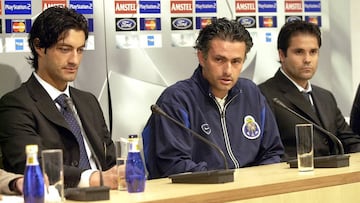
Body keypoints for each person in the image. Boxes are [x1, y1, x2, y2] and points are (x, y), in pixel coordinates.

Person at [142, 18, 284, 179]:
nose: (228, 70)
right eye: (219, 60)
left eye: (236, 61)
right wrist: (228, 180)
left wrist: (254, 181)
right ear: (202, 58)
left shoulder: (251, 93)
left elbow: (272, 152)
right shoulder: (177, 99)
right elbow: (174, 165)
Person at [0, 7, 120, 189]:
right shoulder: (16, 105)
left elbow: (109, 162)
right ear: (39, 46)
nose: (75, 60)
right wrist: (93, 179)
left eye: (80, 50)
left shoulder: (88, 101)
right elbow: (33, 165)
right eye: (65, 49)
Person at [259, 20, 360, 161]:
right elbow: (269, 153)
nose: (307, 59)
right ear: (282, 55)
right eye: (299, 52)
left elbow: (350, 141)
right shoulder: (264, 95)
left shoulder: (326, 96)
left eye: (313, 52)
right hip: (295, 178)